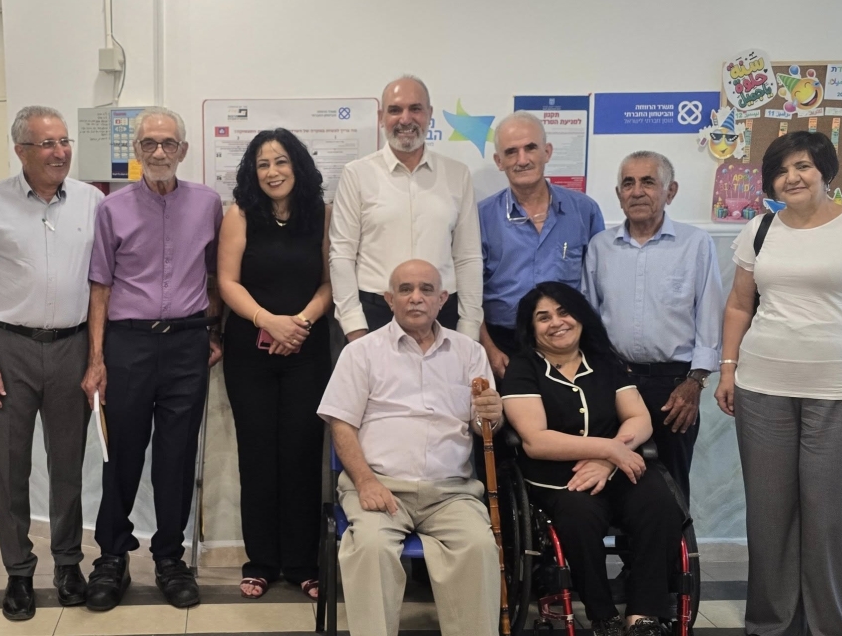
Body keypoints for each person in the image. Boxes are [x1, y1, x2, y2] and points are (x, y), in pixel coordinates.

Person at [715, 132, 842, 636]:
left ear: (825, 171)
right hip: (763, 389)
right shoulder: (760, 229)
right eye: (781, 171)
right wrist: (728, 368)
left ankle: (834, 627)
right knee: (770, 518)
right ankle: (771, 624)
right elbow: (739, 304)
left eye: (802, 166)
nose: (792, 178)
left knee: (835, 522)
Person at [0, 106, 103, 621]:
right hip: (9, 348)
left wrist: (97, 357)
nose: (60, 152)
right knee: (9, 466)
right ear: (20, 150)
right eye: (47, 143)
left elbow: (100, 285)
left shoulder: (92, 201)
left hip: (71, 346)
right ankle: (18, 571)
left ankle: (67, 564)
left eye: (64, 141)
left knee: (68, 464)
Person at [82, 106, 223, 611]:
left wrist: (213, 330)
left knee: (176, 455)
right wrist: (96, 360)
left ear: (183, 149)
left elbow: (215, 274)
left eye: (168, 143)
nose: (159, 152)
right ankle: (112, 556)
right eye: (149, 143)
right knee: (121, 452)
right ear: (136, 151)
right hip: (129, 344)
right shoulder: (112, 208)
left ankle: (169, 557)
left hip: (186, 344)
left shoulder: (208, 204)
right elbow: (100, 286)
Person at [318, 259, 504, 636]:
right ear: (390, 299)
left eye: (426, 290)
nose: (415, 297)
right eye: (405, 290)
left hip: (451, 493)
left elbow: (482, 427)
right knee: (370, 548)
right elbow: (341, 424)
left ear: (442, 299)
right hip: (380, 487)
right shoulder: (361, 352)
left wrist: (493, 415)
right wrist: (366, 482)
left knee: (479, 547)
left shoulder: (469, 352)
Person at [499, 281, 687, 636]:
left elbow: (639, 418)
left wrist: (611, 456)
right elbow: (535, 440)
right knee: (579, 515)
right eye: (543, 317)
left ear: (580, 316)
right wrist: (608, 449)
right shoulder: (524, 368)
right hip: (558, 477)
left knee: (659, 503)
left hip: (619, 466)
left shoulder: (604, 361)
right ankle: (603, 615)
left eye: (563, 312)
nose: (557, 322)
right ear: (531, 328)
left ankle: (643, 614)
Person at [217, 128, 332, 600]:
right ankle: (261, 561)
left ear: (297, 165)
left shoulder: (321, 214)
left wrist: (298, 324)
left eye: (281, 161)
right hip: (250, 352)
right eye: (263, 164)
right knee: (258, 455)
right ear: (253, 172)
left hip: (308, 349)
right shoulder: (240, 214)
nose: (272, 172)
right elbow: (227, 281)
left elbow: (330, 281)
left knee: (303, 454)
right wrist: (269, 322)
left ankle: (304, 562)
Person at [583, 151, 722, 497]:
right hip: (616, 382)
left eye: (648, 182)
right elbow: (589, 319)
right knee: (614, 478)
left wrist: (695, 383)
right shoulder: (600, 247)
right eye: (628, 183)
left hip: (675, 389)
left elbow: (710, 317)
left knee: (670, 484)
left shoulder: (695, 244)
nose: (637, 191)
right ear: (619, 195)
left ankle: (673, 535)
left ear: (670, 191)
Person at [330, 75, 483, 340]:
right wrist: (354, 326)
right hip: (375, 314)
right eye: (395, 110)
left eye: (415, 108)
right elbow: (342, 254)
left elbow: (467, 256)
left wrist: (469, 327)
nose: (405, 119)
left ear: (429, 114)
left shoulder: (457, 174)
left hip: (442, 314)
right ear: (381, 117)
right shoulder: (357, 174)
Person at [478, 111, 604, 376]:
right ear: (499, 161)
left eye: (531, 148)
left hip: (568, 344)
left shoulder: (584, 211)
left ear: (547, 152)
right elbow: (469, 294)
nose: (522, 160)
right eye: (511, 152)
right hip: (504, 346)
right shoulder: (481, 217)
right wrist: (488, 349)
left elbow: (600, 287)